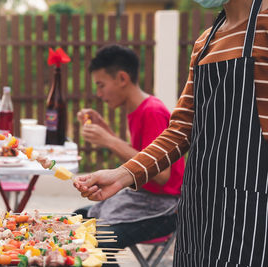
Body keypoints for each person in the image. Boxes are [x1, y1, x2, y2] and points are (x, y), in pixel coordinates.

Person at [74, 0, 268, 265]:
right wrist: (122, 175)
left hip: (250, 204)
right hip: (199, 204)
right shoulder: (205, 42)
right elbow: (180, 129)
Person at [74, 44, 185, 249]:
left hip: (166, 208)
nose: (99, 93)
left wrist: (109, 140)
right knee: (76, 220)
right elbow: (140, 158)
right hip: (142, 198)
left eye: (101, 85)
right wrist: (106, 131)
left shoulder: (152, 111)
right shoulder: (137, 110)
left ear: (122, 79)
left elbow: (161, 174)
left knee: (98, 240)